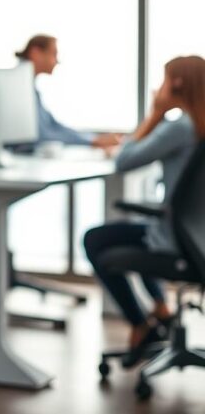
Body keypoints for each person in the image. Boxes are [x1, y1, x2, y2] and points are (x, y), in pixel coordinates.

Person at [83, 55, 205, 362]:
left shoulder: (181, 126)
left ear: (176, 83)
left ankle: (141, 323)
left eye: (163, 79)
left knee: (95, 240)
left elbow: (124, 161)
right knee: (133, 230)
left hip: (179, 243)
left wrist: (154, 114)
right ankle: (160, 309)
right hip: (197, 238)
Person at [15, 34, 122, 149]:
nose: (57, 61)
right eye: (54, 54)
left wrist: (93, 138)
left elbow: (54, 125)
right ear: (35, 53)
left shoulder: (29, 87)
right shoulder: (17, 87)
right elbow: (42, 135)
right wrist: (91, 141)